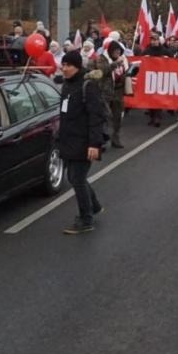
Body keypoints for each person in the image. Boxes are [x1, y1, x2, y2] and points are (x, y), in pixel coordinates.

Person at [59, 50, 106, 235]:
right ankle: (93, 205)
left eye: (68, 65)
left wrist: (94, 144)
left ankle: (86, 219)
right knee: (73, 177)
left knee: (77, 178)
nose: (64, 68)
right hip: (69, 140)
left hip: (84, 141)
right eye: (63, 65)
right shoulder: (67, 85)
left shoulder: (87, 86)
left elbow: (96, 116)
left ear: (77, 66)